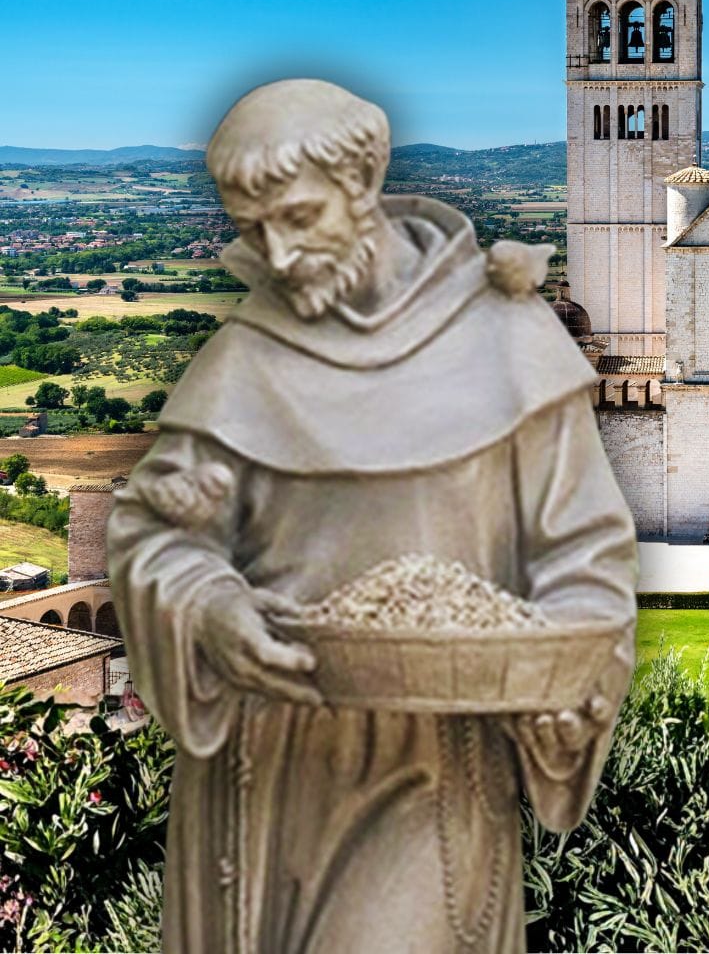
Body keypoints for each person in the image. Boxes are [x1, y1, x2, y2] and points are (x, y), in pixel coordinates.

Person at [107, 80, 638, 954]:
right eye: (252, 230)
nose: (278, 255)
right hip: (253, 777)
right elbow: (155, 532)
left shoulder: (506, 339)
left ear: (362, 183)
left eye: (298, 217)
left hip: (428, 769)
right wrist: (209, 606)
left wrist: (560, 687)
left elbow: (587, 557)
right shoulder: (247, 354)